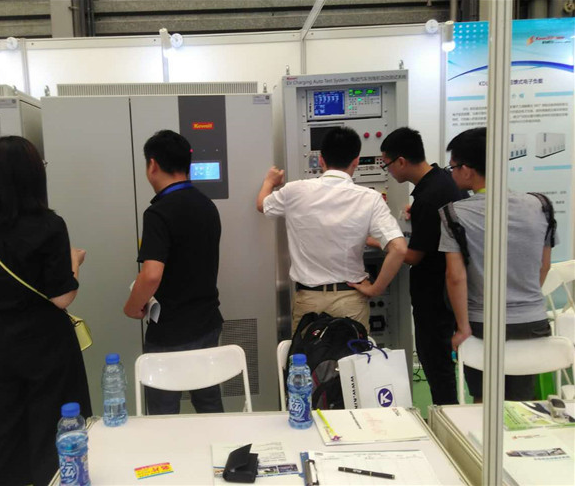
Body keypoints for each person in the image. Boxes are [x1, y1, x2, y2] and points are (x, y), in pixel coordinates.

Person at [0, 136, 91, 486]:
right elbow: (62, 298)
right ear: (34, 175)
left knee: (4, 434)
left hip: (3, 345)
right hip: (47, 343)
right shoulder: (50, 225)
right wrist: (75, 261)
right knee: (55, 433)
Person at [438, 127, 556, 401]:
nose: (451, 173)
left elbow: (455, 277)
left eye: (452, 167)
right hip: (532, 321)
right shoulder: (541, 205)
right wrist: (522, 300)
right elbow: (544, 266)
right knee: (522, 404)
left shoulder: (453, 214)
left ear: (467, 170)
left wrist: (463, 328)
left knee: (485, 403)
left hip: (482, 323)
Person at [256, 126, 407, 332]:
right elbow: (399, 249)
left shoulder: (294, 190)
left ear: (321, 160)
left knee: (308, 353)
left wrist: (269, 182)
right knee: (351, 353)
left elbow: (262, 205)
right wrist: (375, 289)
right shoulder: (370, 198)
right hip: (351, 300)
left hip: (309, 301)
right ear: (356, 161)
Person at [124, 130, 224, 415]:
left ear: (152, 165)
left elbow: (151, 275)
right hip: (207, 322)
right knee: (208, 402)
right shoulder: (207, 205)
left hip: (171, 330)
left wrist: (132, 306)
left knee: (163, 411)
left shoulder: (158, 213)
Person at [380, 127, 466, 405]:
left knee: (436, 364)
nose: (387, 172)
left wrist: (379, 241)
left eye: (387, 165)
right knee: (442, 364)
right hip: (447, 294)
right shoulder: (443, 180)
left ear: (401, 161)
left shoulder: (428, 198)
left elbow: (414, 256)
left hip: (434, 297)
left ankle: (446, 415)